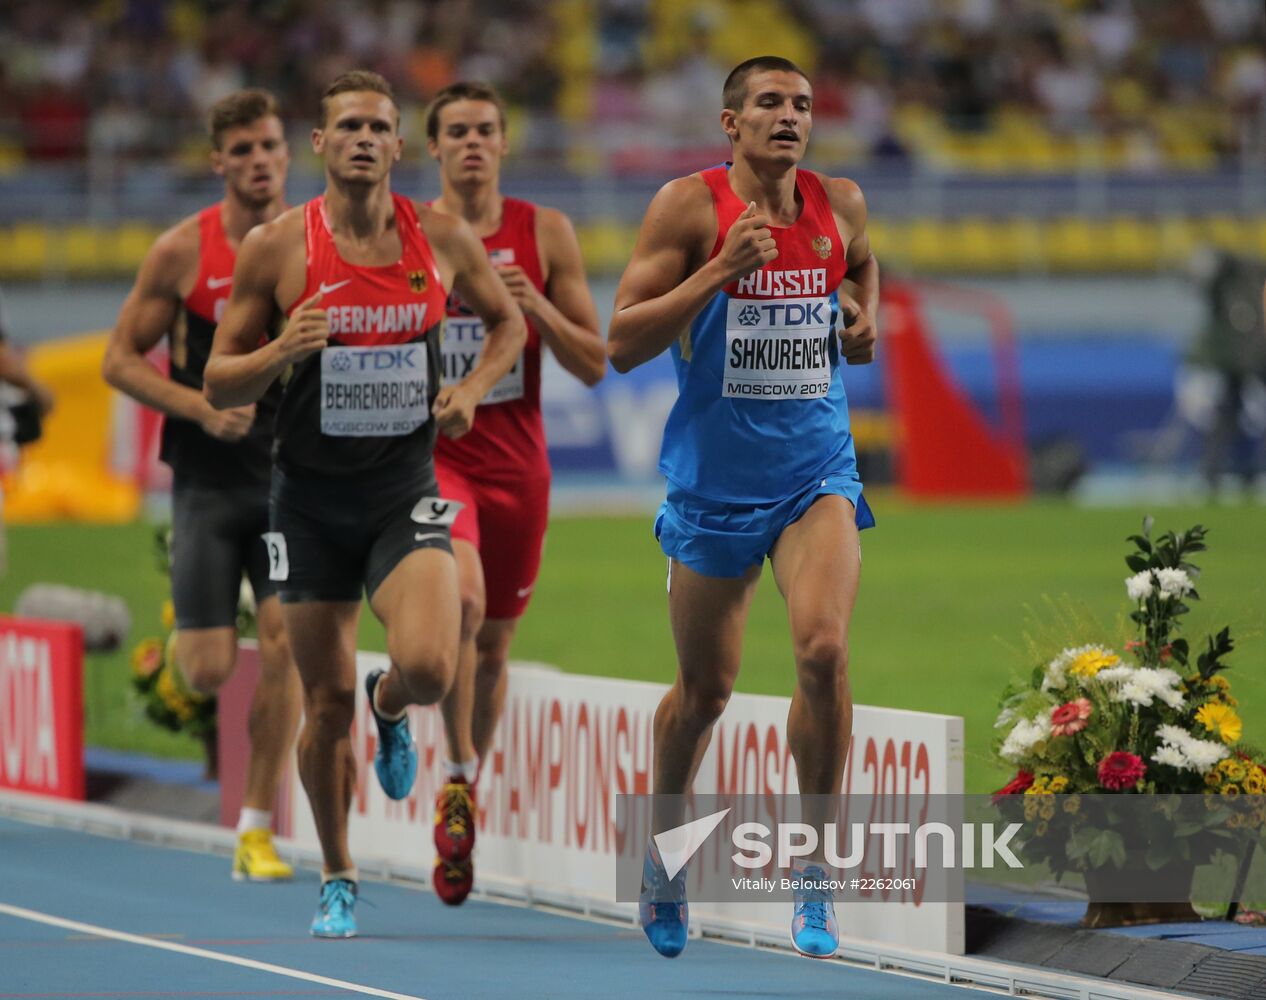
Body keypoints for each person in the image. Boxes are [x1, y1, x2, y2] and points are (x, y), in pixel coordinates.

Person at [204, 70, 526, 939]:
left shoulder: (443, 238)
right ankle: (338, 875)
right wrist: (282, 346)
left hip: (400, 493)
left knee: (430, 665)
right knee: (323, 704)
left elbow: (509, 326)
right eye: (346, 125)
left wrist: (472, 387)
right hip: (306, 505)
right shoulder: (278, 247)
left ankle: (394, 705)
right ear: (320, 143)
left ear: (395, 145)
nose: (362, 139)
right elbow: (217, 374)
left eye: (378, 127)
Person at [607, 55, 879, 960]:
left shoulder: (841, 203)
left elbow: (863, 270)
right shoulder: (688, 208)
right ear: (731, 123)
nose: (789, 116)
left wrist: (862, 315)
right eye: (769, 103)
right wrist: (716, 273)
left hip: (817, 476)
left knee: (824, 649)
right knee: (703, 695)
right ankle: (666, 861)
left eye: (802, 104)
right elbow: (622, 343)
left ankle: (813, 871)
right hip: (715, 491)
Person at [101, 89, 301, 883]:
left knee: (285, 644)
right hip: (208, 486)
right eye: (243, 149)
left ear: (291, 153)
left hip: (293, 482)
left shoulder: (314, 242)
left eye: (271, 146)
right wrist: (199, 406)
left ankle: (256, 826)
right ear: (219, 161)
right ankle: (199, 643)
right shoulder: (182, 252)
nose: (259, 161)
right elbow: (118, 359)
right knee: (211, 668)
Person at [423, 81, 606, 906]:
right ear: (432, 148)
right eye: (455, 131)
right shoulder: (411, 233)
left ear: (504, 144)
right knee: (460, 603)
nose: (471, 142)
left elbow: (596, 362)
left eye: (484, 130)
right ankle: (456, 775)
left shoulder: (546, 233)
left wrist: (536, 312)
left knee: (494, 646)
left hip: (518, 466)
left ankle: (463, 782)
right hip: (435, 458)